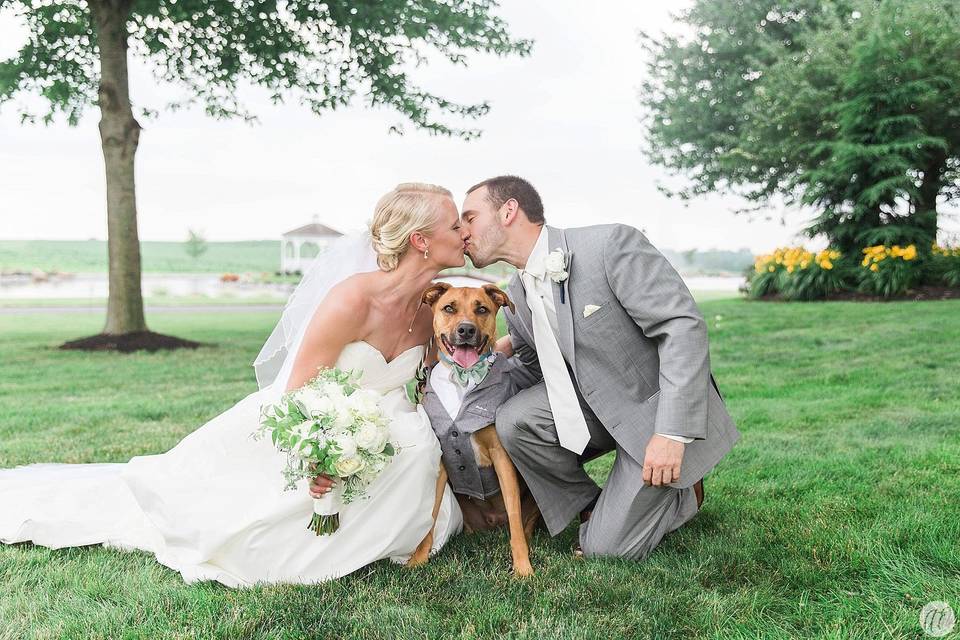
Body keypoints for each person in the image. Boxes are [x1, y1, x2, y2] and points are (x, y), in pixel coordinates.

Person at [0, 183, 466, 587]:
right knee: (225, 524)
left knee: (415, 441)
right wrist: (319, 453)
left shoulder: (438, 307)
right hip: (304, 421)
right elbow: (298, 390)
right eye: (454, 226)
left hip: (382, 429)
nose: (464, 232)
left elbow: (466, 354)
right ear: (420, 241)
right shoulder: (352, 299)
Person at [459, 175, 740, 560]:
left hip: (653, 414)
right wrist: (476, 359)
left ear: (509, 211)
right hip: (593, 409)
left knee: (606, 551)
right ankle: (592, 504)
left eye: (470, 218)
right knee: (515, 420)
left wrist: (673, 433)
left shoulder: (609, 245)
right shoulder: (518, 289)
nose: (463, 231)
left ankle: (683, 494)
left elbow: (681, 326)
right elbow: (534, 362)